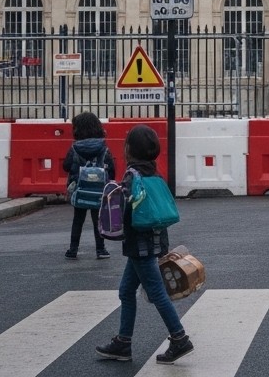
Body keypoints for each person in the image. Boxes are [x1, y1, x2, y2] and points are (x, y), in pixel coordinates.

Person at [95, 125, 194, 364]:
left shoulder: (132, 175)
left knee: (157, 292)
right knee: (126, 291)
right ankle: (123, 342)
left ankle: (179, 338)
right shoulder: (155, 174)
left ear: (130, 149)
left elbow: (125, 211)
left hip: (139, 243)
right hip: (155, 239)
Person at [62, 111, 115, 259]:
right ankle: (101, 250)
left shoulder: (74, 148)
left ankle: (73, 250)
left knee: (78, 220)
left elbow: (66, 166)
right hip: (99, 190)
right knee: (98, 219)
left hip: (80, 189)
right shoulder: (104, 148)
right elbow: (111, 169)